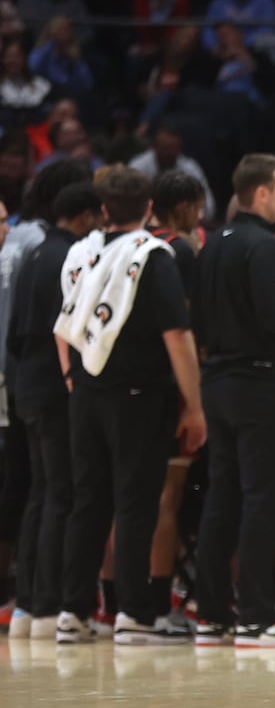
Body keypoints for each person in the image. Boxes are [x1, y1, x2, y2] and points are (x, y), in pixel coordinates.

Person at [55, 167, 207, 645]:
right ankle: (134, 613)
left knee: (88, 504)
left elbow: (62, 326)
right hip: (139, 397)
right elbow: (179, 337)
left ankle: (74, 612)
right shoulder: (153, 256)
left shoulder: (84, 251)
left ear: (102, 210)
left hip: (86, 393)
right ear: (147, 209)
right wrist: (195, 407)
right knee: (135, 502)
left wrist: (70, 378)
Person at [191, 154, 275, 647]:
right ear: (261, 193)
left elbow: (197, 319)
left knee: (221, 496)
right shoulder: (262, 246)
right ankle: (256, 617)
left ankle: (213, 613)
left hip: (217, 382)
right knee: (264, 497)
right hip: (260, 384)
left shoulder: (211, 245)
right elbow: (274, 320)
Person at [6, 181, 99, 641]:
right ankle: (49, 605)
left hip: (24, 382)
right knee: (63, 493)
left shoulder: (33, 254)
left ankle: (27, 605)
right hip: (54, 381)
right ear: (85, 217)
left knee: (41, 493)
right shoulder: (72, 256)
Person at [144, 169, 206, 630]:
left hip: (123, 386)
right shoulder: (179, 251)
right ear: (186, 208)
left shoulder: (132, 243)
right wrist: (194, 401)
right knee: (166, 497)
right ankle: (158, 602)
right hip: (168, 386)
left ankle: (117, 600)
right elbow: (189, 327)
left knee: (126, 498)